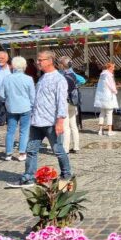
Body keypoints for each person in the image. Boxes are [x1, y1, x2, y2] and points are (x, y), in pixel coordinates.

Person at [9, 51, 73, 188]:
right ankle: (28, 177)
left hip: (51, 122)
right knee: (31, 150)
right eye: (38, 60)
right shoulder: (42, 78)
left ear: (50, 60)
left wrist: (60, 121)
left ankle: (66, 174)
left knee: (58, 150)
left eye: (40, 60)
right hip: (37, 121)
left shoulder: (59, 79)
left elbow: (61, 102)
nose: (38, 62)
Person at [0, 56, 34, 161]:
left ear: (12, 66)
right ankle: (22, 153)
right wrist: (32, 106)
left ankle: (8, 153)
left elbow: (1, 94)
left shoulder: (7, 78)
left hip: (11, 108)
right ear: (24, 66)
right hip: (25, 107)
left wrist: (6, 101)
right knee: (24, 130)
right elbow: (32, 96)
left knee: (10, 130)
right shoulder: (28, 79)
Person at [59, 56, 84, 154]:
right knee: (73, 125)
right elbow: (82, 80)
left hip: (65, 102)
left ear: (62, 65)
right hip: (73, 101)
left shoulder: (61, 76)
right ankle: (76, 147)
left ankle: (65, 149)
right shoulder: (73, 74)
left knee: (66, 127)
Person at [94, 62, 119, 136]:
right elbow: (111, 86)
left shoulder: (102, 75)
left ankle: (100, 130)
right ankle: (109, 131)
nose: (114, 69)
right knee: (109, 114)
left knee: (102, 113)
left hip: (101, 97)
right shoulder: (108, 75)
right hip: (108, 97)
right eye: (113, 67)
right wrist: (115, 91)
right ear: (109, 68)